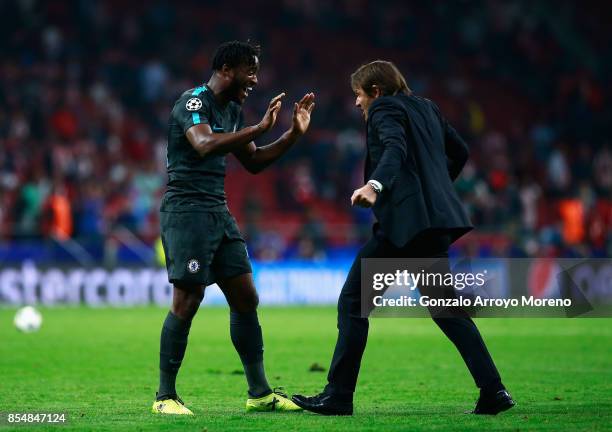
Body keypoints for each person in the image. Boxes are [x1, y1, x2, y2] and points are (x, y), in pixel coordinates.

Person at [292, 60, 514, 416]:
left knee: (352, 302)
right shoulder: (427, 107)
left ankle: (338, 395)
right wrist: (434, 189)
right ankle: (494, 390)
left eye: (359, 94)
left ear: (376, 91)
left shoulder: (384, 109)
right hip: (433, 227)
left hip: (404, 230)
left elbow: (394, 149)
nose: (357, 103)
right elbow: (460, 152)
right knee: (448, 311)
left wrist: (375, 185)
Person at [152, 40, 315, 415]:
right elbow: (205, 144)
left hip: (218, 212)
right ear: (227, 68)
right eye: (251, 70)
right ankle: (165, 397)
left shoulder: (233, 109)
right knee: (187, 300)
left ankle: (259, 393)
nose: (255, 79)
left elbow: (254, 161)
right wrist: (259, 126)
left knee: (245, 297)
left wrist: (292, 135)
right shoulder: (193, 102)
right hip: (187, 212)